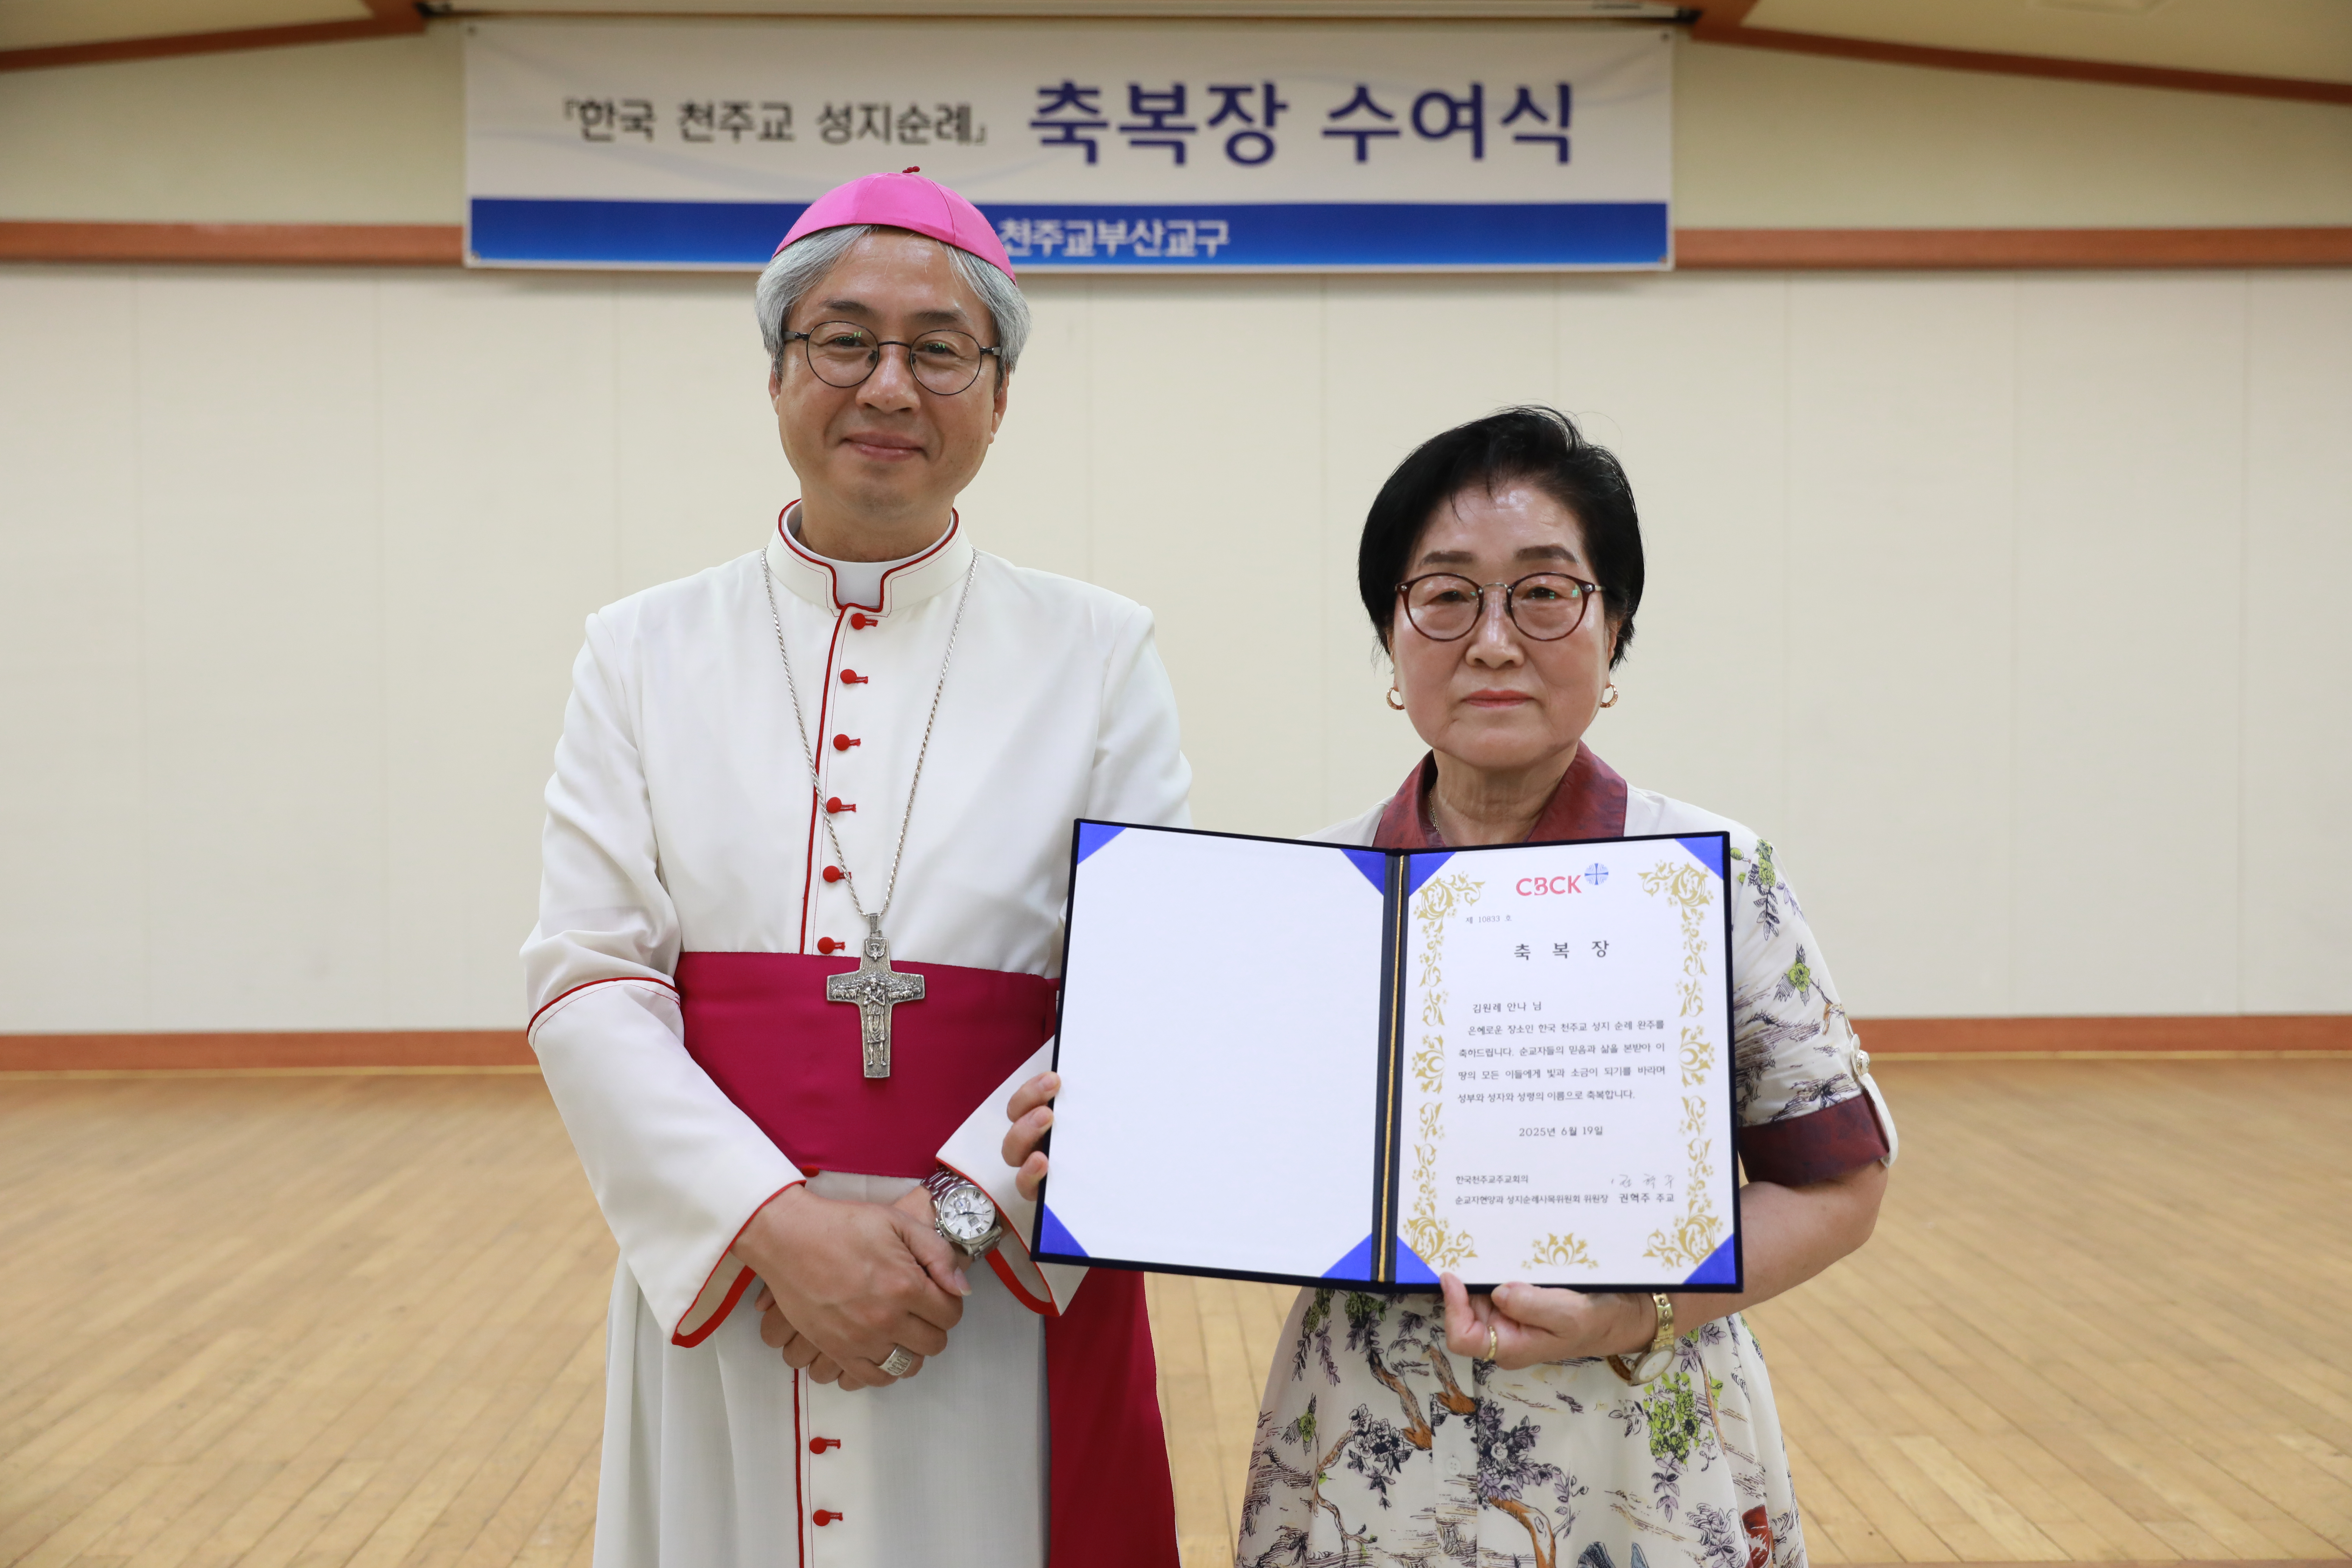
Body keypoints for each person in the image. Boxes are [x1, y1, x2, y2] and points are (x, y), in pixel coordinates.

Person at [521, 169, 1188, 1567]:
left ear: (998, 396)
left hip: (992, 1293)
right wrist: (778, 1228)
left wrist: (937, 1226)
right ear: (777, 373)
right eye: (844, 340)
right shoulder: (638, 652)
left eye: (940, 350)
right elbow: (588, 981)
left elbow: (1146, 988)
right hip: (734, 1282)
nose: (890, 384)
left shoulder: (1102, 652)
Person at [1236, 406, 1895, 1567]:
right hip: (1366, 1440)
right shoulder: (1314, 893)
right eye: (1445, 595)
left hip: (1635, 1442)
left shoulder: (1713, 875)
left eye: (1544, 594)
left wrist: (1634, 1312)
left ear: (1615, 626)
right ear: (1393, 638)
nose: (1493, 641)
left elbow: (1838, 1189)